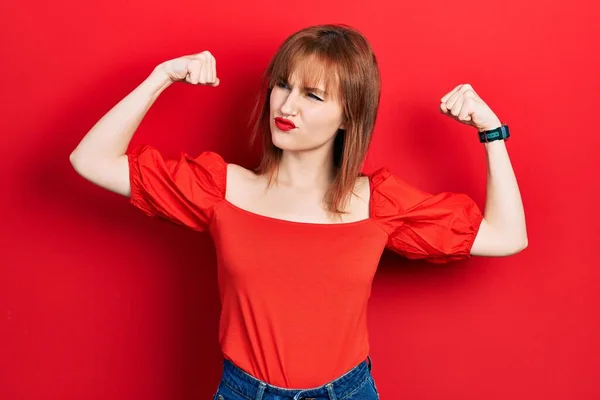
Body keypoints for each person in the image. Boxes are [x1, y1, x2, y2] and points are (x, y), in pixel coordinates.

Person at [70, 24, 527, 400]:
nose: (286, 106)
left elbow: (507, 235)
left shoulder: (378, 204)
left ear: (349, 116)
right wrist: (162, 76)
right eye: (283, 85)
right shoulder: (222, 189)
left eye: (313, 95)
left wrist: (490, 130)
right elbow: (90, 160)